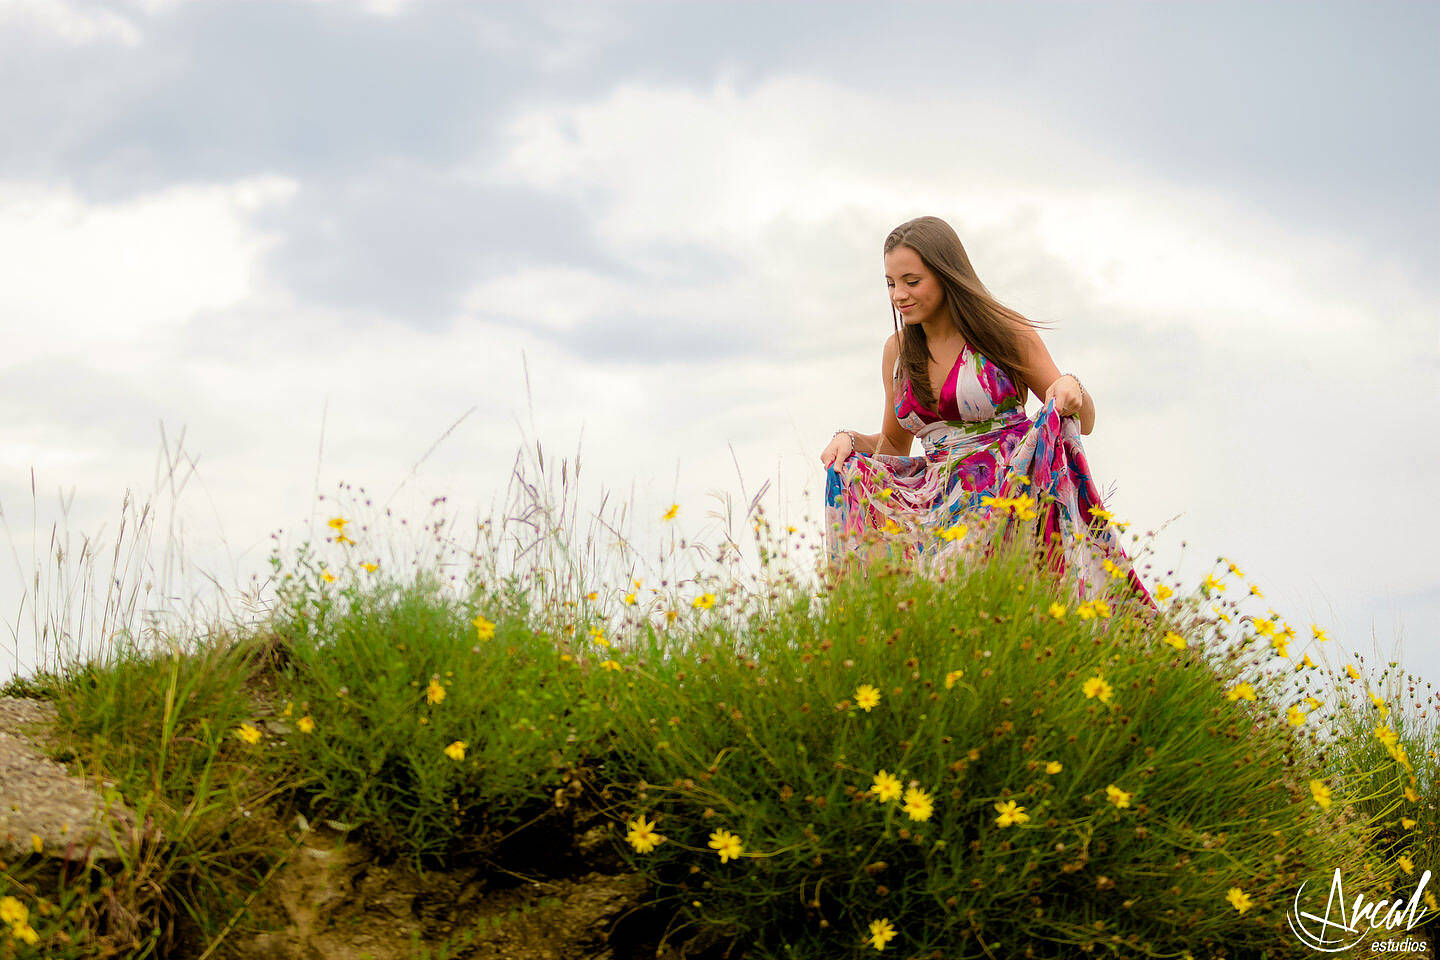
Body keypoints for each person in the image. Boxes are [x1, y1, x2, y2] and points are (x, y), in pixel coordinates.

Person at [820, 215, 1155, 611]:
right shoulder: (897, 351)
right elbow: (893, 443)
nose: (898, 295)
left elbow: (1083, 420)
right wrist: (849, 440)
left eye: (912, 281)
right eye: (891, 283)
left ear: (946, 275)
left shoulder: (1003, 333)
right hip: (936, 511)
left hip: (1009, 499)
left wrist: (1072, 388)